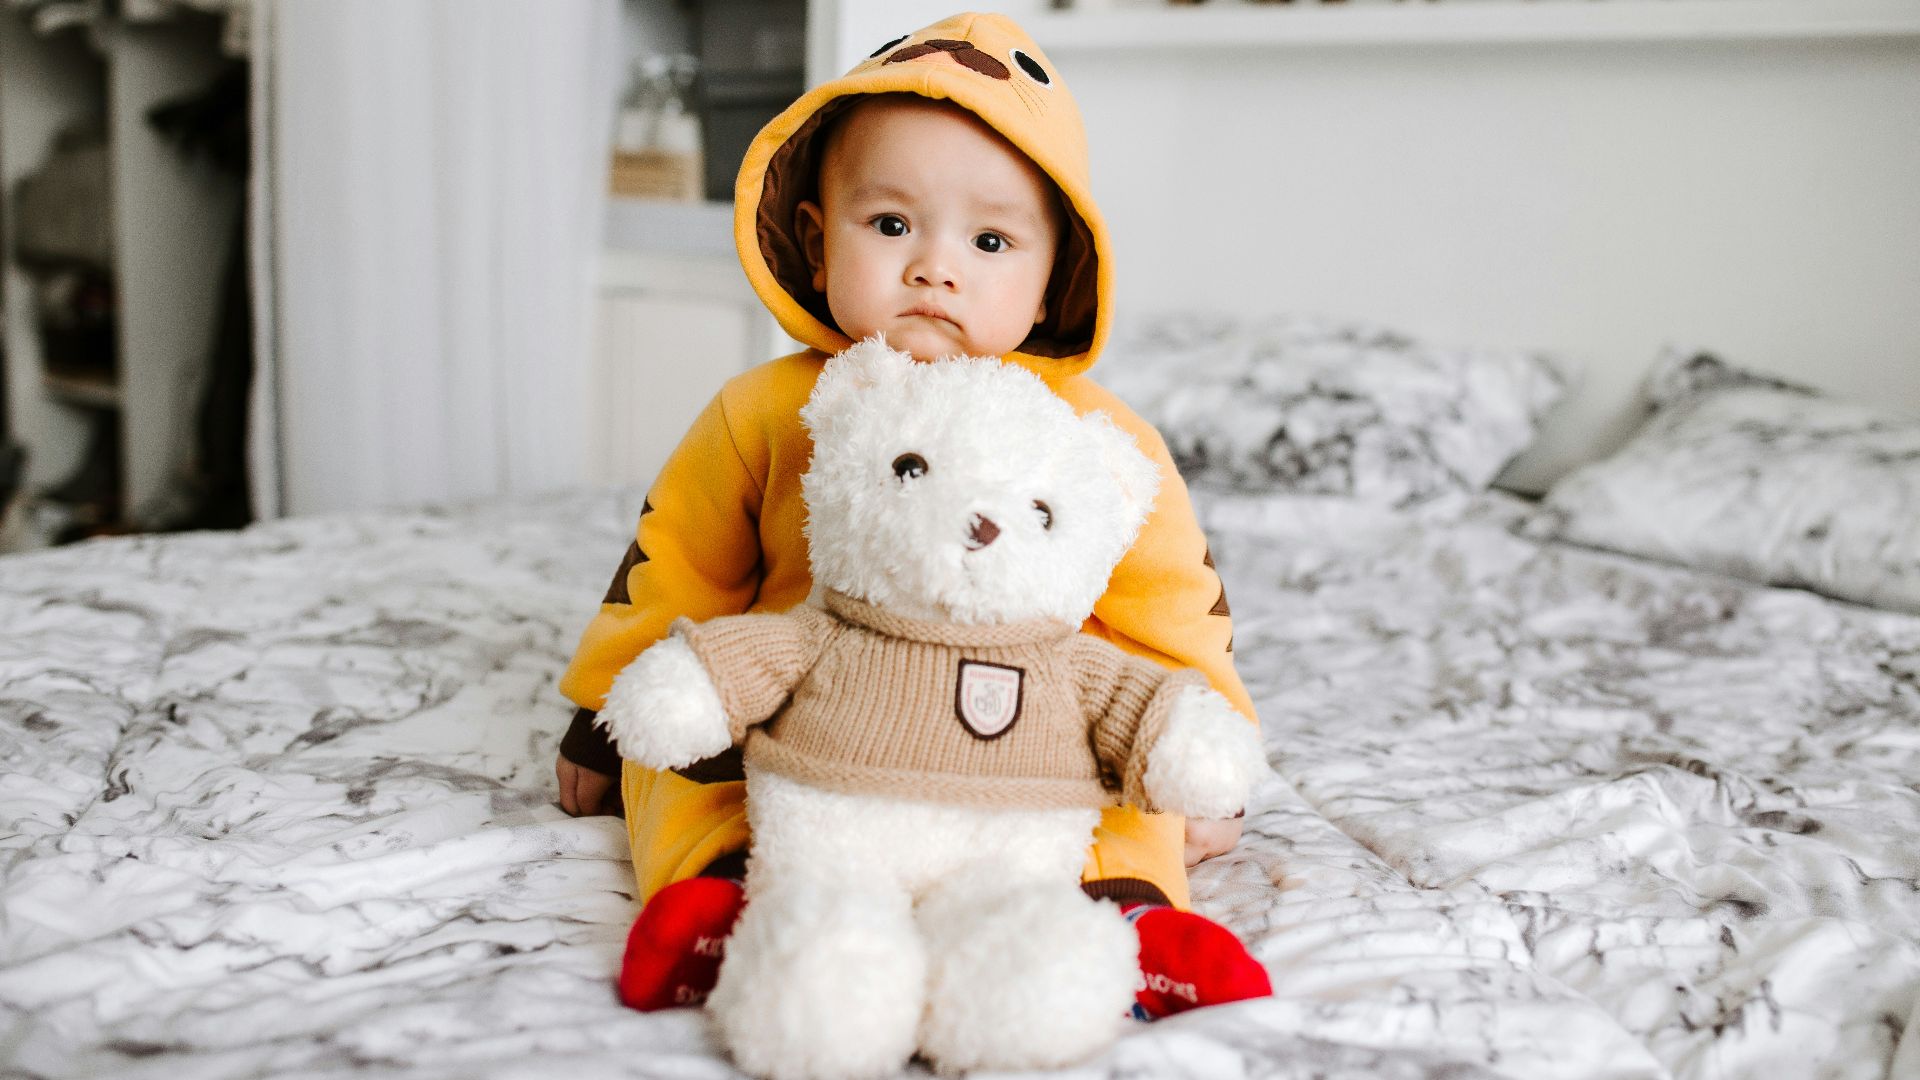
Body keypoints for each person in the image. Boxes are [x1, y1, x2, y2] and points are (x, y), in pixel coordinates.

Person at [555, 11, 1269, 1020]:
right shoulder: (766, 411)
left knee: (1118, 794)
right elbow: (674, 562)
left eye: (989, 239)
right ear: (816, 236)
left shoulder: (1095, 439)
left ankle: (1125, 916)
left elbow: (1174, 604)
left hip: (1031, 738)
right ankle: (719, 896)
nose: (936, 266)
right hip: (806, 725)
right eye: (891, 225)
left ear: (1054, 271)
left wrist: (1209, 749)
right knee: (676, 764)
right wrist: (601, 708)